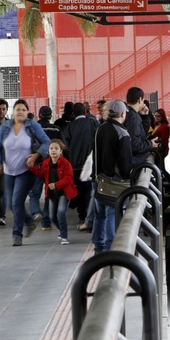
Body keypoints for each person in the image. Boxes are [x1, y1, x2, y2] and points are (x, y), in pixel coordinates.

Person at [0, 99, 51, 246]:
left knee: (17, 201)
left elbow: (47, 142)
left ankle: (17, 234)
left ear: (27, 112)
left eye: (23, 110)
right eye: (18, 109)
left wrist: (36, 155)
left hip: (26, 171)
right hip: (8, 171)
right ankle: (29, 221)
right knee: (10, 204)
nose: (20, 112)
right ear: (13, 111)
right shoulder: (5, 127)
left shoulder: (32, 126)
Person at [92, 100, 132, 253]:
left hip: (98, 178)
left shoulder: (100, 129)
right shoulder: (122, 133)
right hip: (114, 182)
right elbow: (125, 163)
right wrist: (128, 175)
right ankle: (110, 249)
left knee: (99, 215)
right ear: (123, 114)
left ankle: (98, 247)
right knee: (111, 215)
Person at [29, 139, 77, 245]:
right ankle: (61, 229)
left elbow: (69, 178)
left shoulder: (65, 163)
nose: (53, 151)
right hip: (52, 194)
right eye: (51, 148)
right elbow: (41, 174)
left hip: (64, 193)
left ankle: (64, 237)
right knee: (52, 216)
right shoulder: (46, 162)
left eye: (56, 148)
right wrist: (32, 166)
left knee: (60, 213)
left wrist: (56, 185)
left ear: (61, 151)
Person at [62, 102, 98, 231]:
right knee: (91, 191)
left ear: (73, 114)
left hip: (75, 165)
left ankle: (82, 215)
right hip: (90, 164)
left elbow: (64, 146)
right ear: (86, 112)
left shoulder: (70, 127)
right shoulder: (93, 123)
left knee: (80, 191)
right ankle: (90, 217)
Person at [30, 106, 62, 230]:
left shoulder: (33, 128)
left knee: (34, 193)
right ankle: (46, 222)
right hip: (52, 165)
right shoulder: (56, 128)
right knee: (49, 193)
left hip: (37, 163)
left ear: (39, 115)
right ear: (50, 116)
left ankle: (36, 213)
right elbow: (62, 145)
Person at [124, 86, 158, 167]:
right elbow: (135, 145)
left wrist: (145, 117)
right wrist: (150, 144)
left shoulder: (129, 113)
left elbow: (141, 135)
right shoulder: (133, 117)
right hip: (133, 162)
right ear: (139, 99)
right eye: (143, 100)